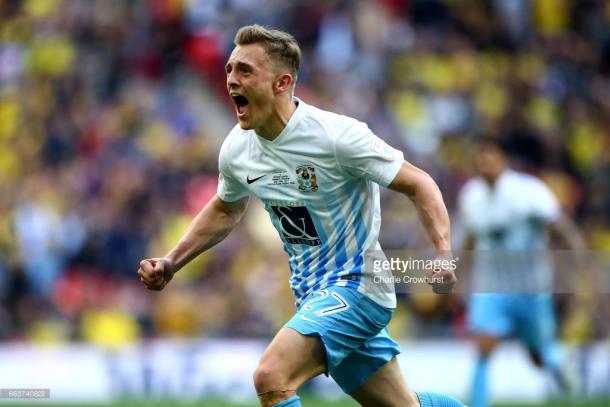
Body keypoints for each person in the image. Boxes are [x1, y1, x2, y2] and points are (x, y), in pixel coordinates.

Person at [138, 25, 464, 407]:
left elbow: (419, 183)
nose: (231, 80)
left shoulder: (336, 136)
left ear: (282, 82)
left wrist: (443, 254)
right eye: (229, 69)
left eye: (245, 70)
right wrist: (172, 262)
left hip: (359, 284)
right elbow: (226, 208)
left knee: (271, 376)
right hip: (311, 294)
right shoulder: (237, 149)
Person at [458, 138, 585, 407]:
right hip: (491, 286)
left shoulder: (529, 192)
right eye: (479, 160)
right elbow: (469, 239)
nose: (484, 165)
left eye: (489, 158)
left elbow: (560, 227)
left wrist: (578, 260)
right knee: (483, 347)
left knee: (538, 356)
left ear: (502, 159)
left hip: (531, 286)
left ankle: (562, 366)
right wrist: (457, 273)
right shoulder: (472, 196)